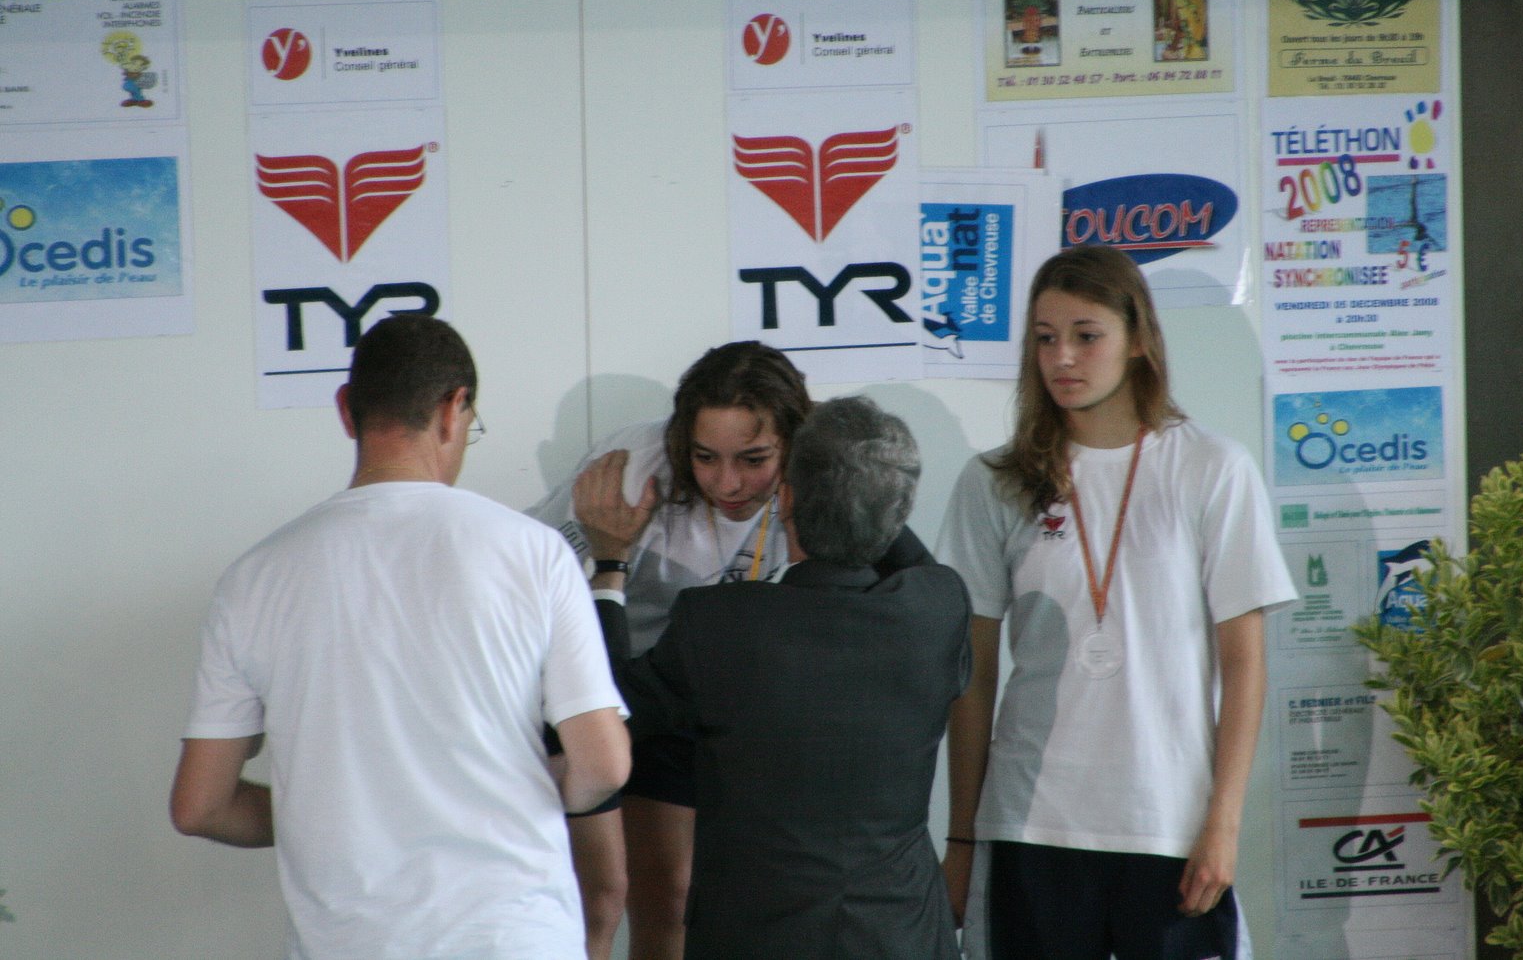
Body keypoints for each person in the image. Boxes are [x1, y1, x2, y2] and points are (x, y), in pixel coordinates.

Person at [171, 315, 631, 960]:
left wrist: (342, 809)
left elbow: (200, 806)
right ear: (452, 410)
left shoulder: (253, 578)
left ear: (346, 410)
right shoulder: (534, 552)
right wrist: (522, 786)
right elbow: (604, 766)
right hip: (513, 934)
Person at [938, 246, 1297, 960]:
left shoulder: (1212, 467)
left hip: (1166, 825)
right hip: (1030, 826)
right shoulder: (995, 481)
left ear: (1138, 340)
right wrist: (962, 836)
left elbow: (1245, 662)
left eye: (1086, 335)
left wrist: (1223, 822)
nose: (1062, 357)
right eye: (1045, 338)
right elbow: (970, 675)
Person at [595, 396, 970, 958]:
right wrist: (853, 472)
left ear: (785, 496)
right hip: (901, 933)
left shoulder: (718, 624)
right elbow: (906, 551)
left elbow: (611, 709)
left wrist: (609, 568)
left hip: (752, 935)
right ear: (900, 507)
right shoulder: (936, 606)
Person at [528, 341, 811, 960]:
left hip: (711, 698)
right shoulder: (636, 467)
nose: (728, 483)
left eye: (754, 460)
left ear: (793, 443)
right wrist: (608, 552)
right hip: (602, 689)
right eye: (705, 457)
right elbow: (530, 579)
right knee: (602, 898)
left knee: (686, 898)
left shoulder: (815, 481)